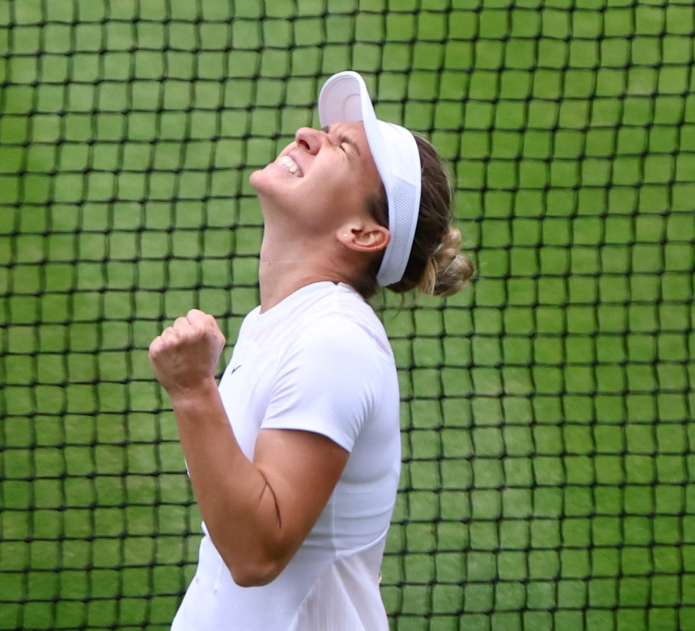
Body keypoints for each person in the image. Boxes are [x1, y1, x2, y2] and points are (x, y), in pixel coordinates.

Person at [149, 71, 474, 630]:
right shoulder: (279, 323)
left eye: (341, 148)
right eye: (327, 130)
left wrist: (194, 390)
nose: (306, 134)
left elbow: (257, 551)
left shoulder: (335, 343)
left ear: (363, 234)